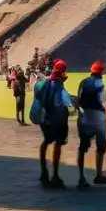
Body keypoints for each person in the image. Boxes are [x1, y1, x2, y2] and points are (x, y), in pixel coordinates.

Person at [35, 59, 76, 189]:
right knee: (58, 145)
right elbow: (66, 102)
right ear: (63, 71)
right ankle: (55, 176)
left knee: (46, 142)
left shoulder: (45, 82)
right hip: (57, 120)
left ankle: (43, 172)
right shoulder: (58, 84)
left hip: (45, 118)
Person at [76, 62, 106, 189]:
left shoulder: (83, 82)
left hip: (84, 116)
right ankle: (99, 175)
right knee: (101, 147)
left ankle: (81, 178)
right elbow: (102, 102)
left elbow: (79, 99)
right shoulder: (99, 83)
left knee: (82, 147)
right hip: (97, 117)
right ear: (101, 72)